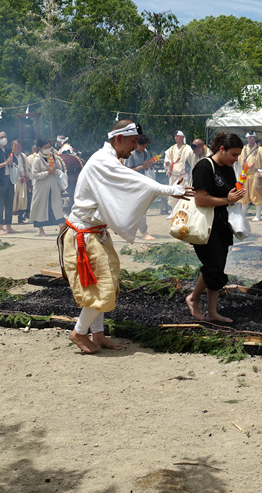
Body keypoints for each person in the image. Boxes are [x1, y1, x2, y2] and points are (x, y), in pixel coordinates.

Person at [61, 120, 192, 352]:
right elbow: (134, 181)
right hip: (84, 234)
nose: (135, 147)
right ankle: (79, 333)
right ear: (119, 139)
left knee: (107, 283)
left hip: (95, 233)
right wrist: (170, 189)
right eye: (133, 142)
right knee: (102, 286)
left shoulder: (111, 159)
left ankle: (98, 334)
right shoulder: (103, 160)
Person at [185, 133, 246, 322]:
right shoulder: (204, 166)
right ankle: (193, 298)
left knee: (217, 267)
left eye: (238, 155)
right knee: (214, 264)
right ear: (222, 149)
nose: (236, 159)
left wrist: (235, 196)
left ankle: (212, 312)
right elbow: (200, 199)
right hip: (205, 226)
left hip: (222, 224)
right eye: (234, 154)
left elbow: (227, 194)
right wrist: (227, 200)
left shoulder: (228, 168)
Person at [30, 138, 66, 236]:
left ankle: (62, 228)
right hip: (41, 188)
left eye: (49, 147)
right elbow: (34, 175)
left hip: (53, 187)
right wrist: (47, 172)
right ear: (40, 148)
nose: (48, 149)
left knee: (57, 206)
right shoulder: (37, 159)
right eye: (45, 147)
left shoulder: (53, 157)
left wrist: (55, 172)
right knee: (40, 208)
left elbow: (59, 170)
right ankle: (41, 230)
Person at [124, 134, 157, 240]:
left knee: (142, 208)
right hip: (131, 185)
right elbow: (127, 171)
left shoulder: (145, 152)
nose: (144, 148)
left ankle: (144, 232)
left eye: (145, 146)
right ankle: (126, 230)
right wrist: (142, 166)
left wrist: (149, 164)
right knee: (130, 209)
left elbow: (146, 166)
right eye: (142, 146)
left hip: (142, 184)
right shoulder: (130, 153)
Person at [238, 131, 262, 221]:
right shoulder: (243, 149)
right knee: (243, 194)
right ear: (247, 139)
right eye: (249, 138)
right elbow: (237, 160)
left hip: (256, 175)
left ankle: (258, 215)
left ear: (255, 139)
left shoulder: (260, 149)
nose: (251, 140)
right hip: (244, 174)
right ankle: (243, 214)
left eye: (252, 138)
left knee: (257, 194)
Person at [164, 130, 196, 215]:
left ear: (182, 137)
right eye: (175, 136)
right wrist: (167, 162)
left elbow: (192, 161)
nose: (176, 138)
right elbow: (167, 156)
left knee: (182, 193)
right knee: (172, 193)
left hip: (183, 175)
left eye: (177, 136)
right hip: (173, 175)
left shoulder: (188, 148)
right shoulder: (172, 148)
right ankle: (173, 211)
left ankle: (183, 211)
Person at [11, 140, 31, 225]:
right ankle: (8, 220)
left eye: (20, 146)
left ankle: (20, 219)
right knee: (12, 200)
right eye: (17, 146)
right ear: (13, 147)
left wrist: (30, 180)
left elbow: (27, 168)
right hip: (12, 181)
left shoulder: (23, 156)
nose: (19, 148)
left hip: (22, 180)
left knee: (22, 200)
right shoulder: (10, 155)